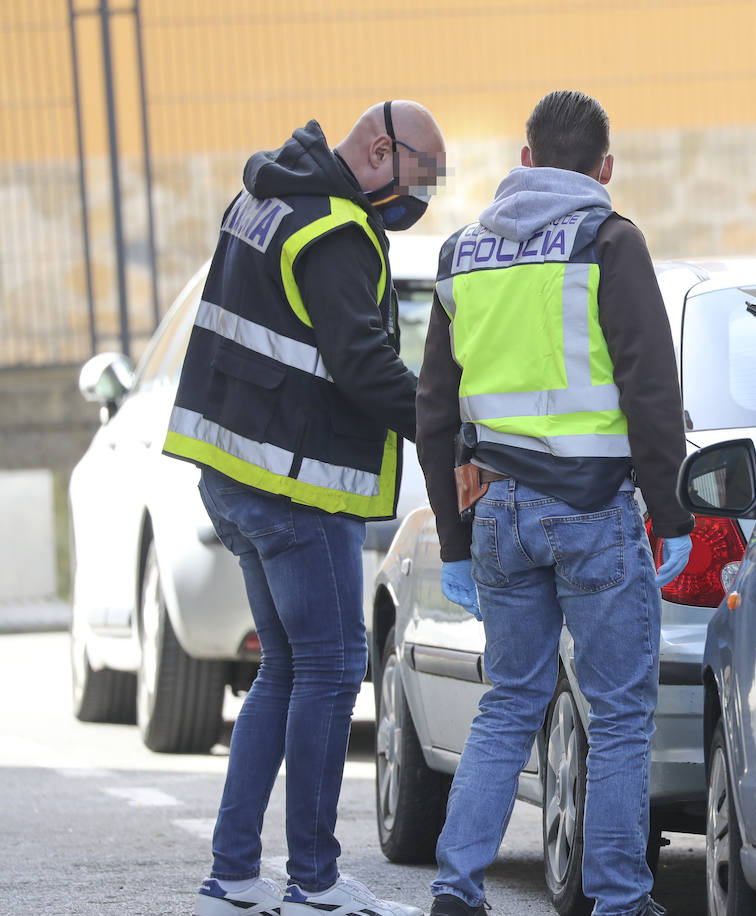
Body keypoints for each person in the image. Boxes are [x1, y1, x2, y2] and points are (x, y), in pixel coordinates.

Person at [415, 89, 694, 916]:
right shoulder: (610, 240)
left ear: (526, 159)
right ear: (604, 168)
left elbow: (435, 410)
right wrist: (672, 513)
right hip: (595, 512)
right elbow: (651, 384)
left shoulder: (462, 253)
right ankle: (617, 901)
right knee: (615, 716)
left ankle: (457, 887)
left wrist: (456, 539)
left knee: (509, 701)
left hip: (499, 514)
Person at [164, 100, 445, 916]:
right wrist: (448, 429)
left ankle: (234, 875)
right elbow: (361, 365)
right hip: (295, 484)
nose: (419, 198)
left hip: (234, 474)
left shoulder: (265, 198)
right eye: (417, 177)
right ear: (379, 150)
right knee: (327, 668)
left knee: (284, 670)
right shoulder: (335, 232)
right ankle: (315, 881)